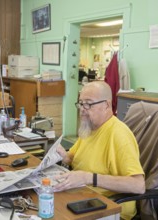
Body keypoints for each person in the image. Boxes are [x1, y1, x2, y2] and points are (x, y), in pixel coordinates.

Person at [54, 81, 145, 220]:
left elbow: (138, 186)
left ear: (106, 105)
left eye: (88, 104)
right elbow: (75, 157)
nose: (82, 109)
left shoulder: (119, 135)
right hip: (83, 195)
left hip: (109, 207)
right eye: (81, 103)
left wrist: (89, 177)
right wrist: (64, 156)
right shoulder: (89, 127)